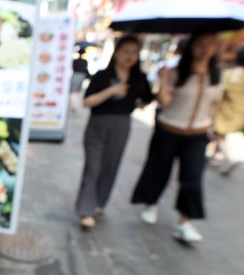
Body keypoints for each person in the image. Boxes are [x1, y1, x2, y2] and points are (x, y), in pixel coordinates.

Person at [131, 32, 224, 243]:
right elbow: (164, 100)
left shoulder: (216, 75)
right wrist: (164, 79)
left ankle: (185, 222)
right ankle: (150, 203)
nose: (205, 49)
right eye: (201, 44)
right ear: (192, 47)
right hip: (169, 129)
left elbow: (216, 102)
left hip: (197, 134)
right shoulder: (177, 72)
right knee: (158, 169)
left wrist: (212, 124)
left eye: (210, 45)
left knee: (192, 177)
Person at [76, 35, 153, 229]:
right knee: (93, 167)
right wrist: (112, 91)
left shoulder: (139, 79)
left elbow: (148, 98)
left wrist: (139, 103)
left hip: (122, 125)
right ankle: (85, 209)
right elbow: (86, 102)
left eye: (134, 53)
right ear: (117, 53)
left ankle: (98, 203)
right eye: (126, 51)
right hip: (98, 123)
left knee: (111, 165)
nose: (130, 56)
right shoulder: (102, 76)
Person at [212, 46, 244, 175]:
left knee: (219, 133)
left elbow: (220, 92)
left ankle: (229, 157)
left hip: (226, 108)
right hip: (243, 110)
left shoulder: (229, 74)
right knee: (223, 134)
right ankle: (218, 157)